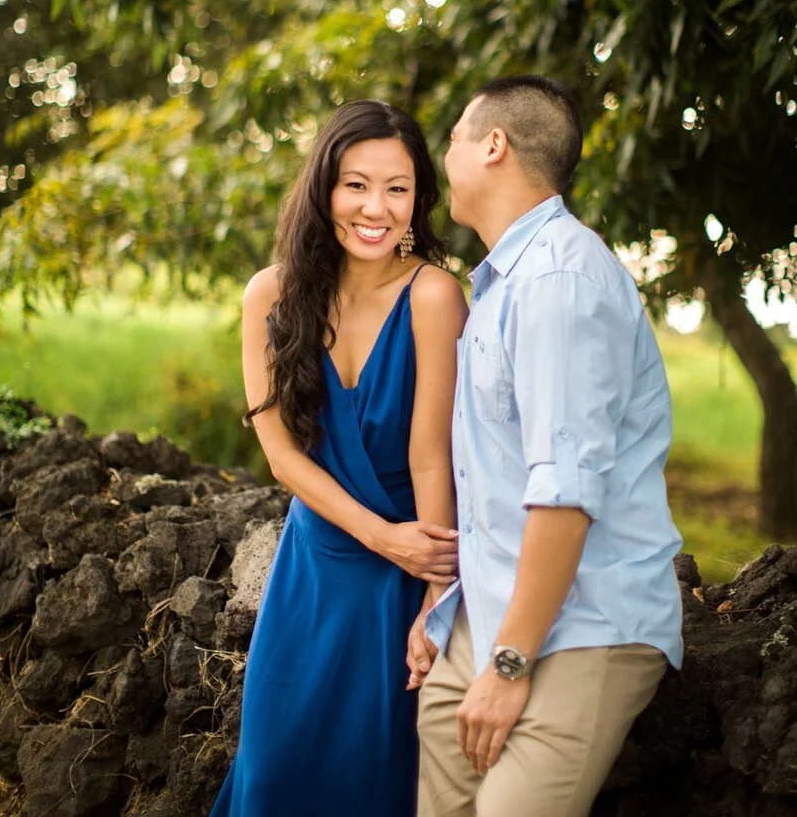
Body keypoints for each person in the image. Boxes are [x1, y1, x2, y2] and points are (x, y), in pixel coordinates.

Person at [409, 75, 683, 817]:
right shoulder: (504, 282)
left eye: (457, 135)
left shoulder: (560, 281)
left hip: (583, 630)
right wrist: (454, 611)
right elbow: (495, 474)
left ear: (493, 145)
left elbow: (565, 494)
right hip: (488, 619)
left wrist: (507, 662)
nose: (446, 154)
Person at [210, 99, 468, 817]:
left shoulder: (435, 296)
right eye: (356, 184)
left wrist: (434, 601)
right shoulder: (270, 292)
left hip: (403, 577)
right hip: (314, 569)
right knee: (274, 774)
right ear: (324, 188)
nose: (375, 207)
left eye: (398, 187)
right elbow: (282, 456)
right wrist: (381, 535)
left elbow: (431, 459)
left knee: (373, 779)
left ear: (419, 198)